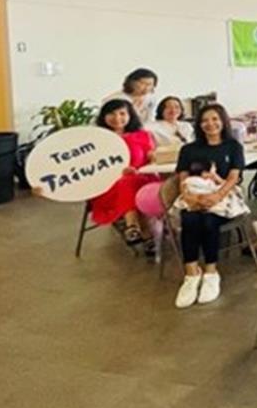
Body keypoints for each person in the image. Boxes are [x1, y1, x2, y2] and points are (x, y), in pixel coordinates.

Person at [173, 104, 246, 308]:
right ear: (198, 124)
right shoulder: (188, 149)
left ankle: (211, 272)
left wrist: (217, 195)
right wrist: (190, 197)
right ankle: (191, 274)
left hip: (223, 195)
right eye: (205, 120)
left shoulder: (233, 146)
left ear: (223, 121)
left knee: (208, 221)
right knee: (190, 219)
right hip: (193, 194)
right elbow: (183, 178)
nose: (210, 124)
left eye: (215, 119)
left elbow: (233, 177)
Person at [86, 99, 158, 247]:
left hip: (143, 178)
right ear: (104, 116)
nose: (117, 118)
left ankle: (134, 228)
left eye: (122, 113)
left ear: (130, 115)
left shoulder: (142, 135)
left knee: (131, 182)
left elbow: (151, 160)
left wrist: (150, 159)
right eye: (111, 113)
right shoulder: (97, 140)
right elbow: (92, 167)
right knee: (127, 182)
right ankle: (143, 233)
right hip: (110, 185)